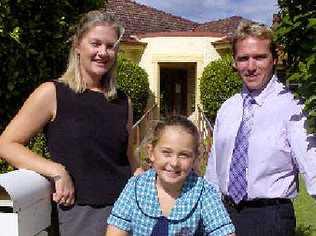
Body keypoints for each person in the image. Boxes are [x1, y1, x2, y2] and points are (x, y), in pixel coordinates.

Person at [0, 10, 141, 236]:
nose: (103, 52)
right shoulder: (52, 93)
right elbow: (6, 143)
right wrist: (55, 170)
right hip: (79, 214)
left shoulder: (123, 100)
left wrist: (147, 180)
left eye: (110, 46)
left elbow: (127, 155)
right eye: (95, 43)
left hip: (127, 212)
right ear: (77, 45)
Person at [204, 21, 316, 236]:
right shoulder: (228, 108)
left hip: (270, 219)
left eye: (260, 57)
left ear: (274, 59)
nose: (251, 66)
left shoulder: (292, 107)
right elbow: (213, 172)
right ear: (235, 63)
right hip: (223, 217)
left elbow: (313, 169)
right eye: (243, 58)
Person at [106, 115, 236, 236]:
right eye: (166, 153)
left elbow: (224, 231)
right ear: (151, 152)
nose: (174, 163)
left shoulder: (204, 192)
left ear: (195, 157)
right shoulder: (135, 187)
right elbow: (116, 230)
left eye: (184, 155)